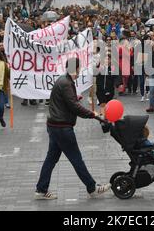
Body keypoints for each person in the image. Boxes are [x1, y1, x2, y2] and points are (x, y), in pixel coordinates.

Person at [35, 57, 111, 200]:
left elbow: (67, 101)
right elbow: (74, 107)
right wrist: (92, 114)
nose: (79, 71)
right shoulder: (66, 83)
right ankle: (92, 187)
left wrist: (75, 98)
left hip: (55, 126)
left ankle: (41, 189)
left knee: (51, 159)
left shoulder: (64, 81)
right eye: (78, 68)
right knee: (76, 159)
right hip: (62, 127)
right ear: (74, 69)